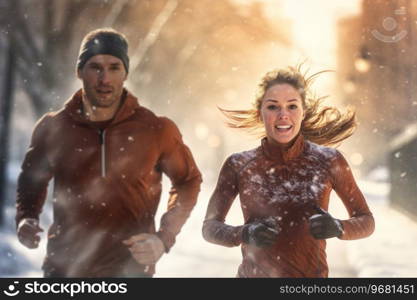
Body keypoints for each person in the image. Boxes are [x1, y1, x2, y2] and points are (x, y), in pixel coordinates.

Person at [15, 28, 202, 277]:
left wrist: (163, 238)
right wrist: (26, 218)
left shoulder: (156, 129)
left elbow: (188, 181)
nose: (105, 79)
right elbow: (31, 180)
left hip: (130, 271)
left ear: (125, 73)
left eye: (114, 67)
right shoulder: (53, 127)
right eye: (95, 67)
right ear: (79, 71)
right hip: (65, 269)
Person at [202, 65, 375, 277]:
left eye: (292, 106)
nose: (283, 115)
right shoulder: (238, 164)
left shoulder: (329, 161)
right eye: (273, 107)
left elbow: (366, 220)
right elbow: (209, 227)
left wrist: (339, 227)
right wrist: (244, 233)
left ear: (303, 112)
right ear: (260, 113)